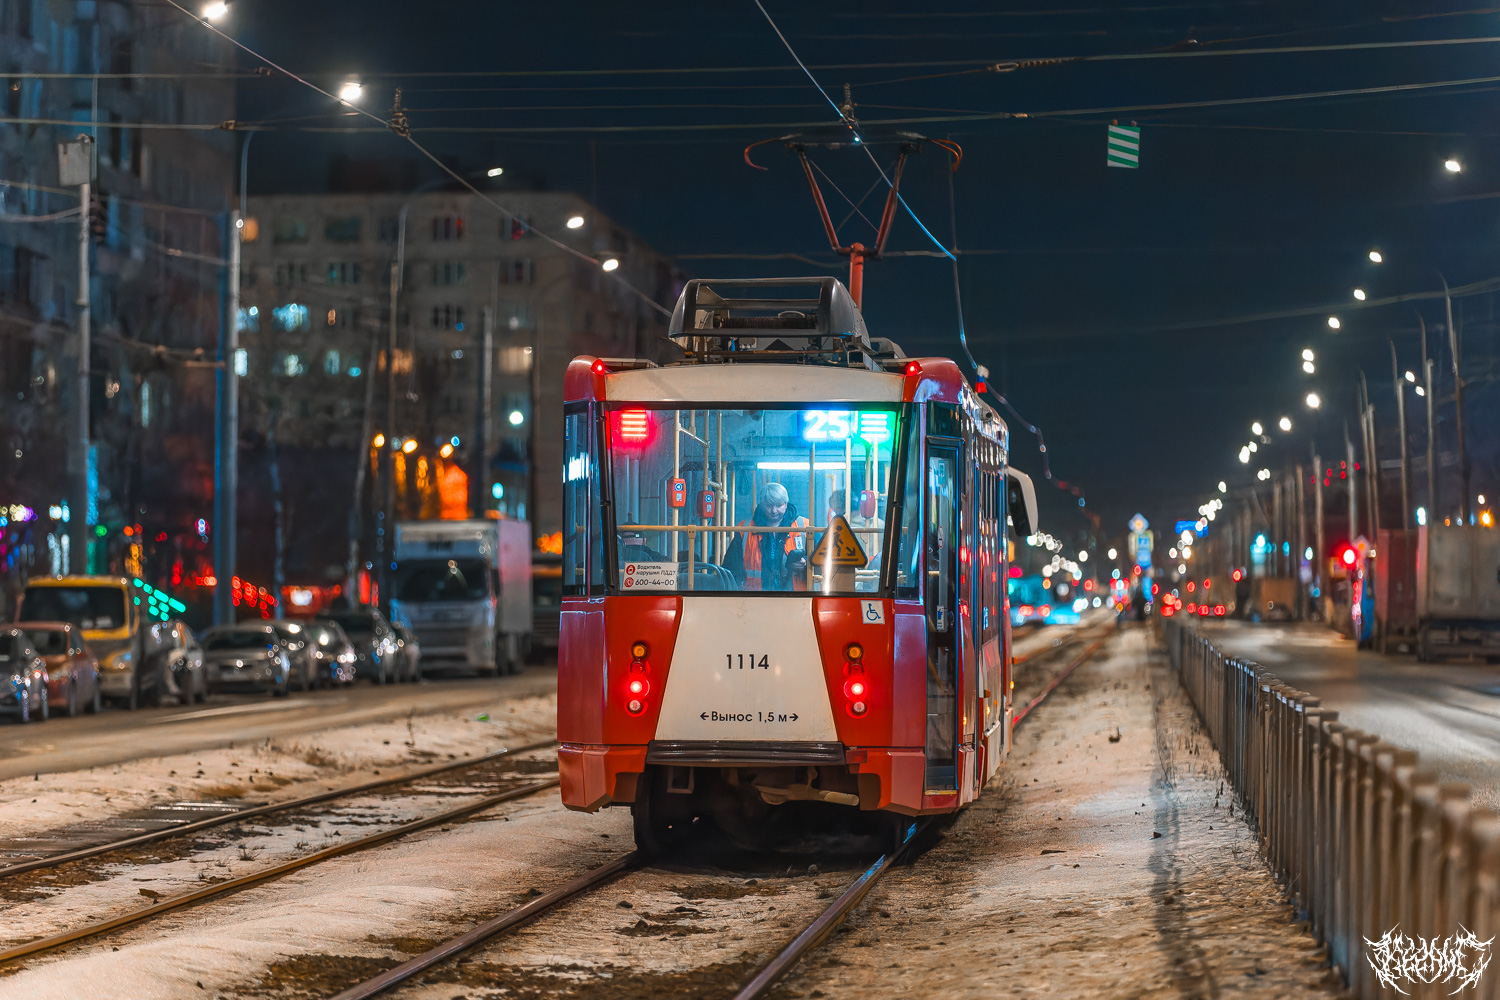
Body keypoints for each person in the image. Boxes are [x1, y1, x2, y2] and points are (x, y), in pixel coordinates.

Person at [724, 483, 808, 591]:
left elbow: (820, 562)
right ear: (761, 504)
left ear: (786, 504)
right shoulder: (745, 529)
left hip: (796, 599)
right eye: (769, 505)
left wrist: (805, 563)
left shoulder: (804, 527)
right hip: (755, 601)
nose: (774, 510)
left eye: (779, 505)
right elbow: (730, 569)